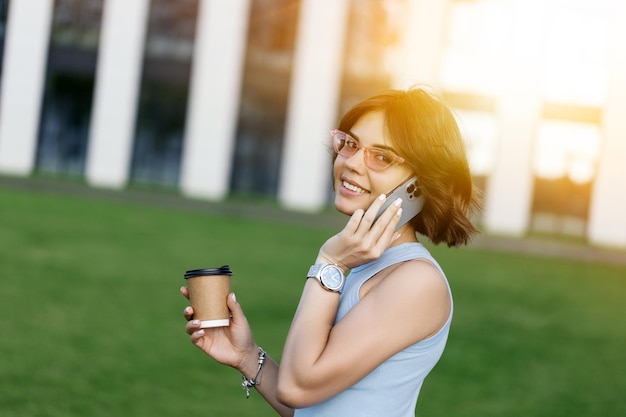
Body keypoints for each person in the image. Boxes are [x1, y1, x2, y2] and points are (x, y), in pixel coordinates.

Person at [181, 87, 480, 417]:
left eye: (381, 157)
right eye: (350, 144)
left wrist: (330, 262)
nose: (350, 163)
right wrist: (246, 355)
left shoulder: (415, 282)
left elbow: (297, 387)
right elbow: (318, 407)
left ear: (418, 185)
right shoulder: (368, 266)